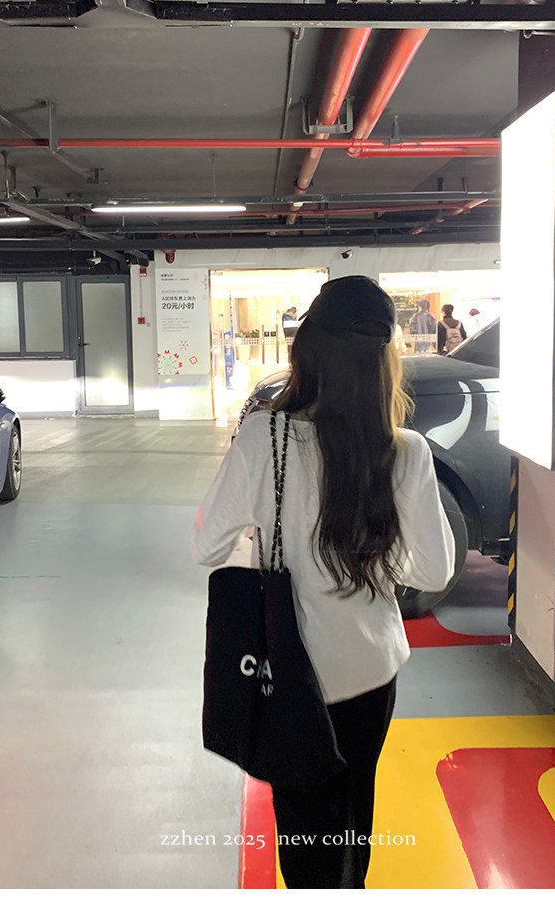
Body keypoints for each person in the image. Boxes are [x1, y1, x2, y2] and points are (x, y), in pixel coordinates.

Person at [191, 275, 454, 889]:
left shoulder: (264, 437)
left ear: (307, 350)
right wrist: (373, 554)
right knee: (354, 818)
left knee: (303, 828)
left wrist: (266, 532)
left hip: (289, 672)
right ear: (385, 361)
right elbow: (434, 571)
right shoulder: (406, 451)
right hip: (371, 670)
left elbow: (206, 546)